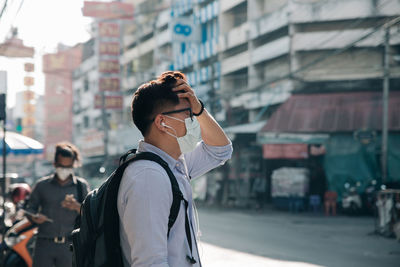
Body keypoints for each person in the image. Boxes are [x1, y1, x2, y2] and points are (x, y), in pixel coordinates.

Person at [118, 71, 232, 267]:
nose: (194, 121)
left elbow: (220, 151)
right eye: (188, 115)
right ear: (162, 122)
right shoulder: (149, 177)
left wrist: (199, 110)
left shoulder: (173, 164)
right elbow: (151, 263)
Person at [26, 142, 90, 267]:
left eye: (68, 167)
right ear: (55, 164)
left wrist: (76, 207)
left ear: (73, 165)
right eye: (61, 166)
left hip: (69, 246)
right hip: (44, 245)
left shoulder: (81, 187)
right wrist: (34, 217)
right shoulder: (42, 185)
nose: (65, 170)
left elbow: (90, 213)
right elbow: (30, 208)